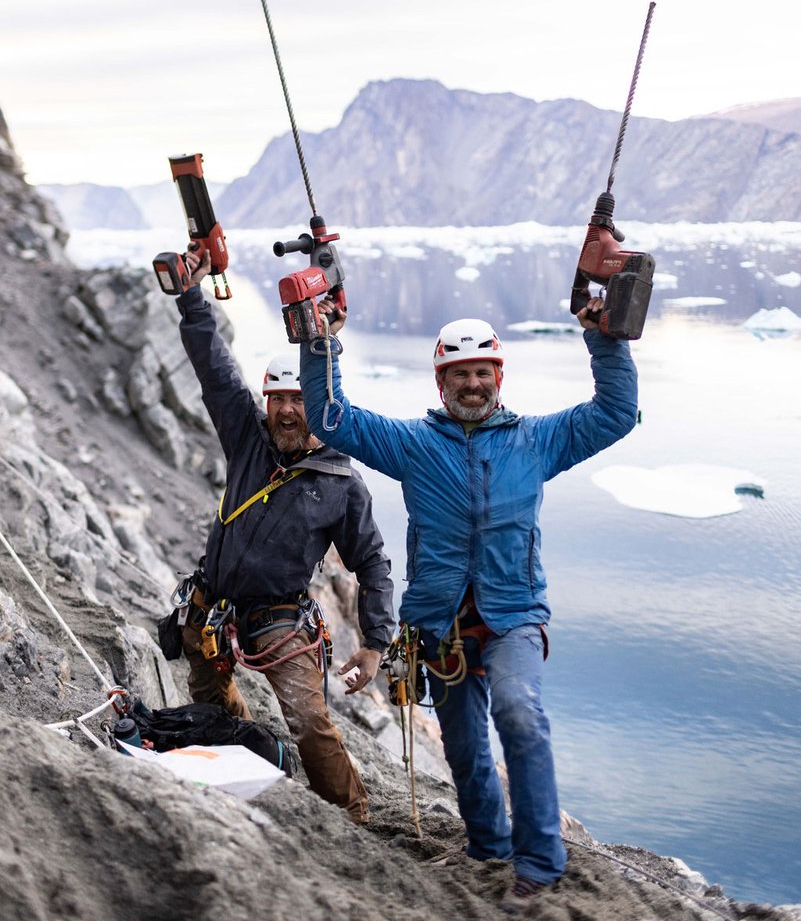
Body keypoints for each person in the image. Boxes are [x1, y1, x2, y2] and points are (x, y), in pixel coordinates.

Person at [299, 301, 637, 909]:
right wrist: (322, 344)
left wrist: (603, 341)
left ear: (500, 376)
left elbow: (615, 413)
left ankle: (538, 862)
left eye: (484, 372)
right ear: (441, 381)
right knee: (463, 746)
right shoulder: (412, 444)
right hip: (440, 625)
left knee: (518, 710)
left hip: (516, 616)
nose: (474, 383)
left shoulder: (539, 439)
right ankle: (489, 847)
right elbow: (330, 417)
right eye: (461, 374)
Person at [174, 247, 394, 824]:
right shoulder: (248, 436)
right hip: (213, 605)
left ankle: (351, 815)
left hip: (279, 615)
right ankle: (235, 757)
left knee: (308, 718)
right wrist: (191, 296)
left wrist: (374, 644)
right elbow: (214, 368)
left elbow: (371, 564)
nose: (290, 412)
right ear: (266, 403)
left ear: (318, 406)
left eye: (300, 400)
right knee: (207, 694)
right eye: (280, 401)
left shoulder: (341, 480)